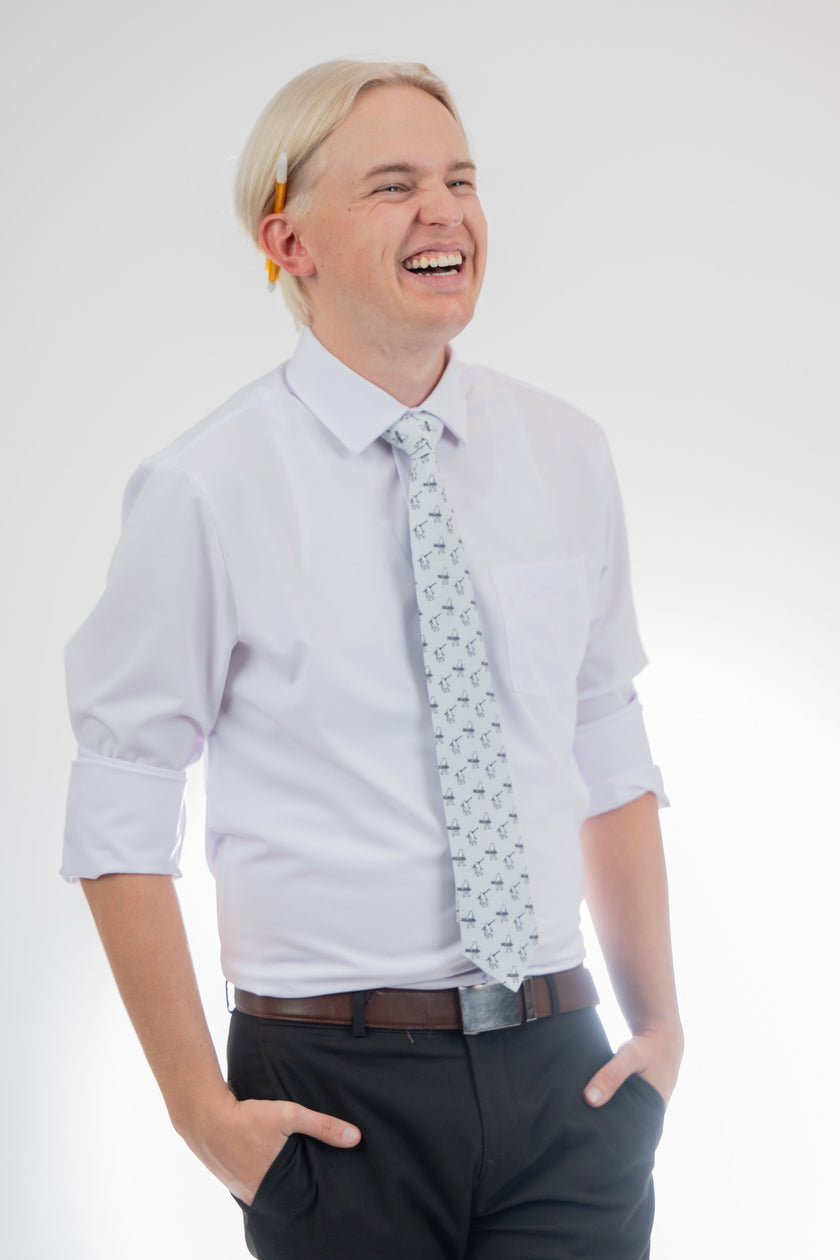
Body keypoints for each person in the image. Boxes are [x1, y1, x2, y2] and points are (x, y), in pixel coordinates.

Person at [62, 58, 683, 1259]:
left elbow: (607, 743)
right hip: (331, 1095)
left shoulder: (564, 452)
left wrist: (659, 1032)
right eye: (393, 186)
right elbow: (120, 805)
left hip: (568, 1076)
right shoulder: (206, 488)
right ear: (287, 241)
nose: (444, 210)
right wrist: (201, 1114)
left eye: (461, 179)